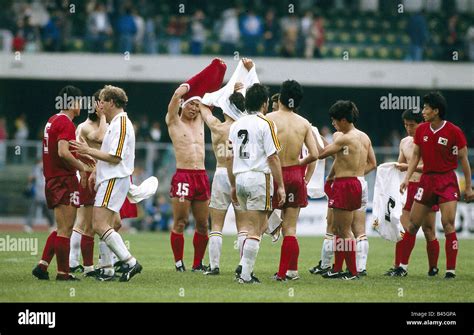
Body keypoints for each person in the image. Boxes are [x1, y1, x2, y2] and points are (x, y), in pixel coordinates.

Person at [393, 92, 473, 279]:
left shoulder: (454, 131)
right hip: (427, 181)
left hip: (447, 181)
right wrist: (407, 178)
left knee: (448, 224)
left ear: (436, 111)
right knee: (412, 225)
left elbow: (464, 160)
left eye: (426, 108)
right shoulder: (422, 131)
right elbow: (415, 157)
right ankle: (402, 267)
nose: (423, 111)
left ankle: (450, 271)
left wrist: (468, 187)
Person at [70, 85, 142, 282]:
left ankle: (129, 261)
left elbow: (115, 157)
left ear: (111, 102)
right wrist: (96, 170)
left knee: (99, 224)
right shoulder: (115, 123)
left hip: (114, 178)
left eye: (102, 101)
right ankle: (108, 268)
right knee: (105, 224)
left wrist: (88, 151)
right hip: (109, 177)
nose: (99, 105)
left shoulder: (121, 123)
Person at [166, 58, 226, 272]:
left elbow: (217, 96)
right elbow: (175, 97)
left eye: (197, 105)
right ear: (183, 104)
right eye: (190, 103)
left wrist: (233, 85)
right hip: (183, 176)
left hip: (200, 176)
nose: (193, 108)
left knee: (203, 224)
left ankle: (197, 263)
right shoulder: (174, 120)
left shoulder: (201, 120)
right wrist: (186, 88)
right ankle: (178, 262)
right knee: (180, 222)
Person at [199, 60, 255, 276]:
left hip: (221, 173)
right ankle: (242, 267)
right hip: (240, 174)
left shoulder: (216, 126)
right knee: (243, 225)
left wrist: (219, 95)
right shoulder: (246, 125)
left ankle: (214, 267)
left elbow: (204, 106)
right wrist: (238, 90)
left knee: (217, 225)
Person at [227, 83, 286, 284]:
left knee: (249, 226)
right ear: (264, 103)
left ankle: (243, 267)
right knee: (257, 228)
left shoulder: (236, 125)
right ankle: (245, 275)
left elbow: (230, 157)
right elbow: (273, 157)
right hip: (259, 177)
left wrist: (233, 184)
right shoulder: (266, 123)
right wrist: (281, 186)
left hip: (240, 177)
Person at [32, 85, 89, 281]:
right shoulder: (66, 123)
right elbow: (62, 152)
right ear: (72, 102)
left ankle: (43, 265)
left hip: (52, 179)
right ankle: (63, 274)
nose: (81, 105)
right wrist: (81, 167)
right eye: (80, 101)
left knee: (60, 227)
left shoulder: (52, 120)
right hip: (64, 179)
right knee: (66, 229)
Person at [266, 80, 318, 281]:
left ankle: (246, 269)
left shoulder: (269, 119)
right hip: (295, 174)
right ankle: (289, 272)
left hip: (274, 174)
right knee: (290, 228)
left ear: (281, 96)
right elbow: (315, 154)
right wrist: (300, 164)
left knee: (258, 223)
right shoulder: (304, 123)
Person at [384, 109, 440, 276]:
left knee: (429, 230)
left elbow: (432, 166)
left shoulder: (430, 141)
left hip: (427, 186)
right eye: (406, 125)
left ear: (421, 124)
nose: (408, 128)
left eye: (412, 125)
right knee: (404, 229)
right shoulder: (404, 142)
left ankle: (433, 268)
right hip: (409, 188)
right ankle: (398, 267)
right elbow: (400, 164)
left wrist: (407, 167)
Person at [317, 100, 364, 280]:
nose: (333, 124)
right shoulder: (352, 136)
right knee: (339, 228)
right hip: (347, 183)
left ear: (343, 120)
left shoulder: (346, 137)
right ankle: (339, 269)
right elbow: (334, 153)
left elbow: (322, 153)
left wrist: (310, 136)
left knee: (344, 230)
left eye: (335, 121)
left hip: (346, 184)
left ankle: (352, 272)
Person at [68, 89, 107, 276]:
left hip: (100, 177)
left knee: (92, 223)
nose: (103, 106)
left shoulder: (101, 123)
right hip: (89, 177)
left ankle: (76, 261)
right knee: (85, 222)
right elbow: (101, 138)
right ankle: (78, 262)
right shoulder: (86, 126)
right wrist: (105, 117)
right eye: (100, 102)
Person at [25, 160, 54, 232]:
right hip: (36, 194)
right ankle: (28, 226)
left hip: (45, 195)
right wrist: (31, 179)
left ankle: (52, 225)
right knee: (32, 211)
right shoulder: (36, 169)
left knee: (48, 212)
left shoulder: (49, 169)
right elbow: (30, 178)